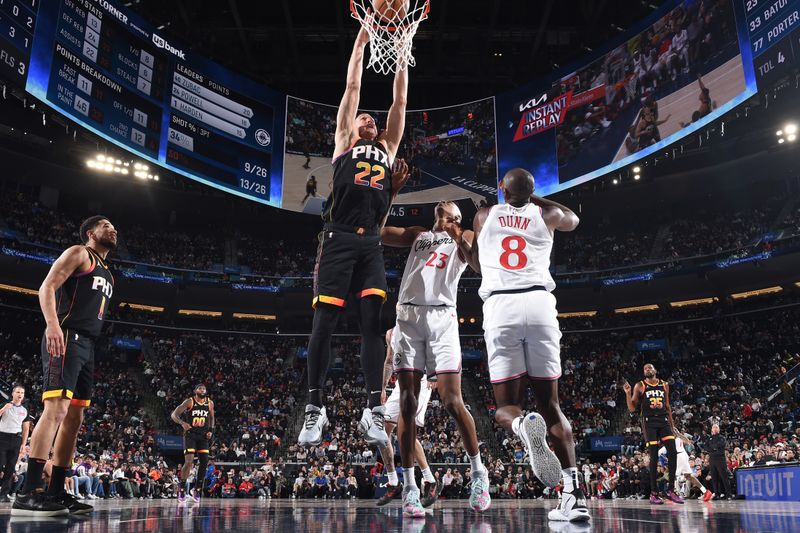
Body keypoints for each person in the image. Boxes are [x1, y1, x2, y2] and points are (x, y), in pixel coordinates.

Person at [298, 26, 411, 449]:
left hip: (371, 244)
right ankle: (315, 408)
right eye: (364, 115)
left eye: (372, 118)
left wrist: (403, 50)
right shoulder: (344, 142)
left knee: (371, 324)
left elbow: (400, 99)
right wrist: (362, 42)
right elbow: (352, 85)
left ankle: (373, 410)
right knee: (324, 322)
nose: (370, 118)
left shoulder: (388, 148)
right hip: (338, 237)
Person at [466, 168, 589, 523]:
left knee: (507, 407)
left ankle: (522, 427)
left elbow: (478, 265)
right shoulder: (546, 214)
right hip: (539, 306)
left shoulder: (485, 214)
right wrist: (533, 198)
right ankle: (573, 496)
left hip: (501, 307)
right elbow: (573, 219)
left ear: (502, 190)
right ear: (533, 192)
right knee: (551, 404)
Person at [382, 200, 491, 516]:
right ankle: (410, 488)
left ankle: (479, 474)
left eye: (450, 206)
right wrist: (390, 193)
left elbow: (478, 266)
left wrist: (462, 232)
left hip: (443, 318)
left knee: (452, 401)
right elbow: (378, 232)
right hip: (408, 318)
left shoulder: (464, 233)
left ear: (456, 216)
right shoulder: (418, 234)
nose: (443, 201)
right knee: (407, 403)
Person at [12, 216, 116, 517]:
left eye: (114, 226)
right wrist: (53, 325)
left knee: (74, 418)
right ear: (90, 232)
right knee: (55, 408)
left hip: (87, 344)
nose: (113, 229)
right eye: (106, 225)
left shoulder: (109, 272)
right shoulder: (79, 253)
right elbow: (47, 287)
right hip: (66, 336)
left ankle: (58, 490)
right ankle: (29, 491)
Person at [376, 329, 439, 509]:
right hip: (399, 384)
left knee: (407, 433)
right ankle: (393, 481)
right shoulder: (390, 333)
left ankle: (429, 480)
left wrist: (436, 374)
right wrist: (382, 387)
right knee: (381, 430)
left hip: (421, 381)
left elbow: (437, 348)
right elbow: (389, 361)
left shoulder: (420, 324)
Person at [624, 364, 684, 504]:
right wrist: (627, 393)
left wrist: (672, 425)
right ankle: (654, 493)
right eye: (645, 369)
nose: (648, 370)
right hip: (649, 422)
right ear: (644, 372)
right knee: (654, 455)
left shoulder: (664, 384)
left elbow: (668, 406)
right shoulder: (640, 385)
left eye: (650, 368)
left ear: (655, 370)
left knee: (673, 452)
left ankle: (671, 490)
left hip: (663, 420)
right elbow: (632, 408)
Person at [171, 384, 215, 504]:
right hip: (190, 434)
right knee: (189, 461)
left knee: (205, 461)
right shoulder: (190, 401)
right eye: (200, 388)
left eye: (204, 388)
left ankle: (197, 489)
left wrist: (211, 430)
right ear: (195, 391)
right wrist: (182, 423)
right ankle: (181, 488)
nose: (202, 390)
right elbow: (174, 415)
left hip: (203, 436)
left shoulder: (210, 403)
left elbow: (212, 417)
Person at [659, 431, 713, 501]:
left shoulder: (675, 435)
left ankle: (672, 494)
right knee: (688, 476)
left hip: (680, 457)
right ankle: (705, 492)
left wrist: (677, 433)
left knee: (672, 475)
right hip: (682, 456)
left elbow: (686, 441)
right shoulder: (673, 438)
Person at [0, 385, 31, 502]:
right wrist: (4, 409)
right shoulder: (5, 405)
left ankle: (4, 494)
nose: (20, 394)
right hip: (2, 437)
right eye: (18, 392)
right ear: (13, 394)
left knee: (10, 467)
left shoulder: (25, 410)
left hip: (16, 439)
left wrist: (23, 444)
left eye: (22, 393)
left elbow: (26, 428)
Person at [706, 423, 732, 499]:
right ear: (711, 429)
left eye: (716, 427)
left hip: (720, 459)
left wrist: (712, 448)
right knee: (714, 478)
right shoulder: (709, 438)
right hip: (712, 459)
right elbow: (705, 446)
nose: (715, 428)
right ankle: (717, 494)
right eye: (713, 427)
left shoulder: (722, 438)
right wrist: (714, 448)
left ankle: (728, 494)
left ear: (719, 429)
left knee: (724, 477)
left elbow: (720, 445)